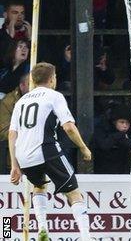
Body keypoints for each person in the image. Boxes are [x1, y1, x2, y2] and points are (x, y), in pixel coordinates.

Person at [8, 63, 92, 240]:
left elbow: (12, 134)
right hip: (45, 149)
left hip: (23, 156)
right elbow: (68, 127)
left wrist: (15, 165)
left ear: (32, 79)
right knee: (74, 192)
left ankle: (42, 230)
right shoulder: (54, 96)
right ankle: (86, 237)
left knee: (39, 186)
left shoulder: (21, 100)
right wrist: (84, 148)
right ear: (53, 79)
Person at [92, 104, 131, 174]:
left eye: (127, 123)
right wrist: (119, 136)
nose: (125, 126)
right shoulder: (102, 131)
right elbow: (104, 145)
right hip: (102, 170)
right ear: (114, 122)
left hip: (123, 170)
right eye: (122, 122)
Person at [0, 73, 28, 173]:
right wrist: (29, 132)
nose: (34, 88)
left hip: (40, 158)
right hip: (14, 160)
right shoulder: (7, 102)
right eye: (30, 85)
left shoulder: (44, 99)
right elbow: (3, 132)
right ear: (22, 86)